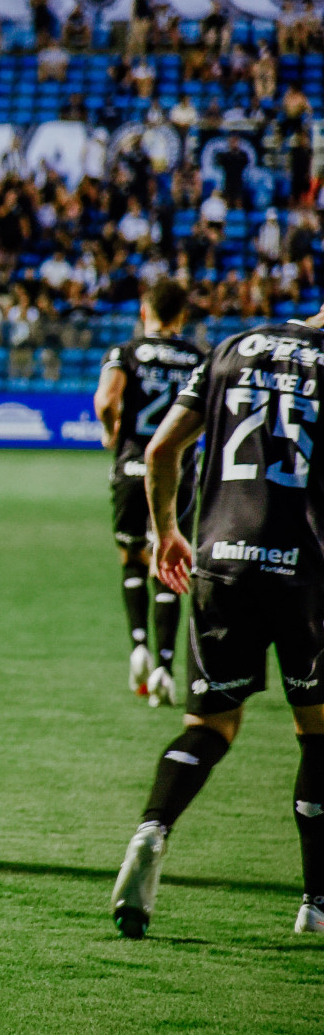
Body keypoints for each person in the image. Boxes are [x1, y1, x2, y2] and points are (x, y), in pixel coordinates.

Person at [111, 310, 324, 939]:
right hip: (307, 573)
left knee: (209, 725)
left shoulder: (232, 347)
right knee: (317, 729)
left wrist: (168, 531)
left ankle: (153, 830)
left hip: (221, 565)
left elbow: (161, 449)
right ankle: (315, 902)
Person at [93, 278, 203, 706]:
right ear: (182, 316)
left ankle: (137, 644)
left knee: (132, 554)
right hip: (176, 473)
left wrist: (110, 432)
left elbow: (106, 401)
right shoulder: (198, 358)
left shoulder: (125, 352)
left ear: (145, 311)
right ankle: (164, 668)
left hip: (131, 465)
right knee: (170, 560)